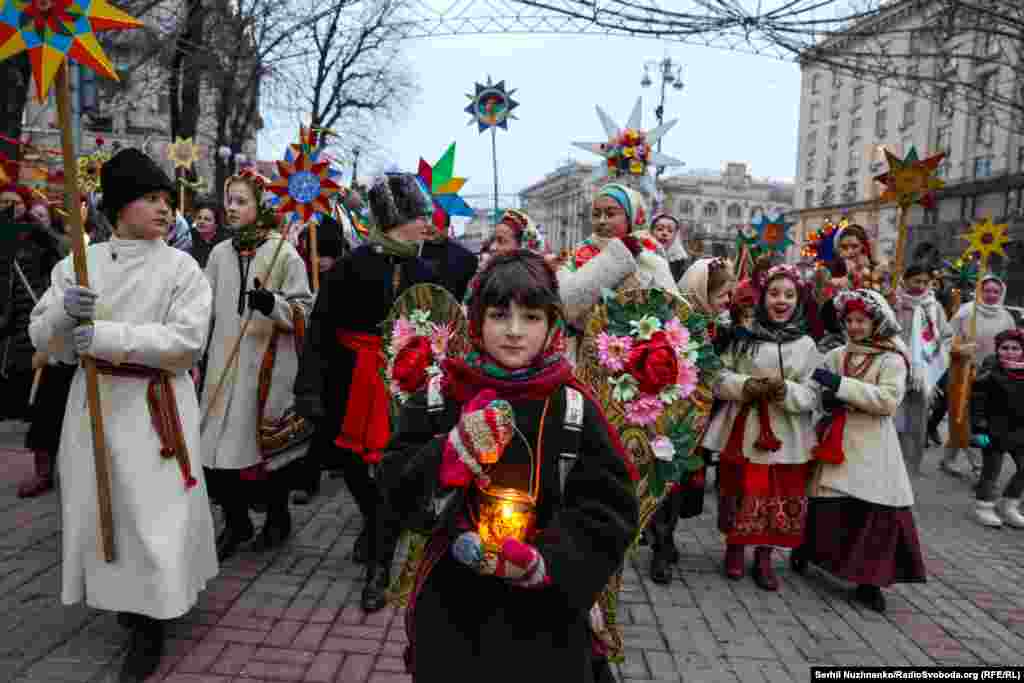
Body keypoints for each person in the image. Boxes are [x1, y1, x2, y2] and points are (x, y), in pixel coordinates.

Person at [378, 251, 639, 682]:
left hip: (546, 622)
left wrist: (546, 563)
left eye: (531, 317)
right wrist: (450, 452)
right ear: (477, 320)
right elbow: (393, 488)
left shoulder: (572, 407)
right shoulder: (443, 395)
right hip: (454, 611)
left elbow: (609, 511)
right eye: (499, 315)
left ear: (552, 324)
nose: (514, 331)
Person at [28, 148, 217, 682]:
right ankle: (127, 600)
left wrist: (106, 336)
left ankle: (151, 622)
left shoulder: (182, 268)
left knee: (155, 515)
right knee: (103, 508)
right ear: (117, 206)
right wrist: (64, 313)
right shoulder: (79, 264)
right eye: (150, 198)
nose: (164, 208)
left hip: (156, 410)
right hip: (94, 406)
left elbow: (186, 342)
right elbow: (43, 339)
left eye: (166, 199)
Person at [293, 172, 439, 611]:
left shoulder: (425, 270)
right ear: (395, 219)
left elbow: (442, 330)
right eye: (419, 216)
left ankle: (380, 563)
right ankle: (374, 523)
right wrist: (310, 388)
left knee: (396, 473)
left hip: (407, 389)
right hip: (349, 384)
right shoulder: (350, 267)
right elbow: (320, 329)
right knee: (355, 469)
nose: (427, 224)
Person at [201, 169, 313, 561]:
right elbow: (201, 307)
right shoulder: (219, 253)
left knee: (267, 453)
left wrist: (274, 305)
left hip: (265, 368)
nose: (231, 208)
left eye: (241, 201)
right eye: (228, 200)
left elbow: (304, 310)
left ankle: (277, 519)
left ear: (260, 206)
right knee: (214, 451)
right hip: (222, 364)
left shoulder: (285, 253)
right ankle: (236, 521)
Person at [797, 289, 926, 612]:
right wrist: (819, 398)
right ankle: (810, 551)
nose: (854, 327)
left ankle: (869, 580)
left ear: (876, 322)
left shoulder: (892, 359)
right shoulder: (836, 355)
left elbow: (887, 401)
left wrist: (840, 387)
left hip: (873, 444)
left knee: (874, 509)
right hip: (836, 440)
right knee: (828, 504)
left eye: (861, 320)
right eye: (849, 320)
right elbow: (813, 391)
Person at [705, 264, 821, 591]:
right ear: (762, 297)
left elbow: (813, 391)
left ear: (798, 300)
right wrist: (745, 385)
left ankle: (765, 556)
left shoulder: (806, 345)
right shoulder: (743, 337)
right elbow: (717, 376)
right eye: (774, 293)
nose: (781, 300)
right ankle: (735, 547)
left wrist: (787, 391)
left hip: (786, 433)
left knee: (777, 494)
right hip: (745, 427)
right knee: (741, 489)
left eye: (789, 295)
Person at [644, 256, 733, 584]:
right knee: (668, 480)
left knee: (682, 484)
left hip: (700, 415)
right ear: (701, 292)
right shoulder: (675, 324)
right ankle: (660, 545)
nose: (728, 301)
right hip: (672, 415)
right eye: (722, 294)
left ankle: (666, 538)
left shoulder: (717, 326)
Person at [931, 275, 1014, 475]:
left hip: (992, 375)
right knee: (961, 417)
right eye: (987, 290)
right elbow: (946, 339)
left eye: (996, 291)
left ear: (1001, 293)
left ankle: (951, 459)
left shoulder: (1006, 317)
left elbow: (1012, 344)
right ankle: (975, 464)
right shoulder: (966, 312)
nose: (991, 295)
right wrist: (960, 348)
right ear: (979, 291)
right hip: (963, 371)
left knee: (980, 420)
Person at [894, 263, 952, 476]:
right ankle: (889, 465)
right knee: (892, 419)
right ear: (905, 280)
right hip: (894, 370)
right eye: (916, 281)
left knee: (915, 423)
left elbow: (946, 337)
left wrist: (931, 361)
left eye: (925, 282)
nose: (920, 286)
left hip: (923, 376)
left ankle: (909, 470)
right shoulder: (894, 303)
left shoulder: (934, 308)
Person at [969, 328, 1024, 528]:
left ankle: (1009, 504)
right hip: (993, 431)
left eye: (1015, 348)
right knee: (991, 472)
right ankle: (983, 506)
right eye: (1005, 348)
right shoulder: (989, 373)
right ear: (997, 350)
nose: (1010, 352)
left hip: (1020, 431)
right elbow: (977, 404)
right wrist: (978, 430)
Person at [188, 198, 230, 269]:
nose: (201, 222)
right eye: (199, 218)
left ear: (216, 224)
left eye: (207, 219)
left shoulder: (224, 241)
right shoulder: (190, 235)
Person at [651, 212, 689, 281]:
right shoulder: (641, 253)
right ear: (651, 232)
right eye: (660, 229)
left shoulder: (679, 260)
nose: (664, 233)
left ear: (675, 236)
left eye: (670, 231)